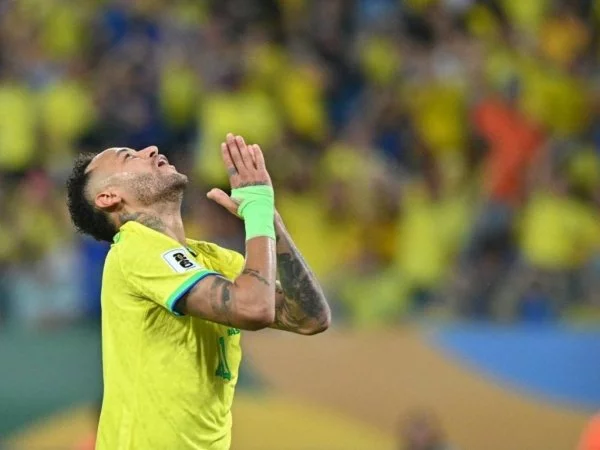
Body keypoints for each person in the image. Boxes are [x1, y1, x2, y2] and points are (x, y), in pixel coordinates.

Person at [65, 133, 331, 449]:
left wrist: (270, 219)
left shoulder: (210, 259)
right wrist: (256, 213)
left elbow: (310, 318)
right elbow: (254, 308)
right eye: (128, 156)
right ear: (108, 197)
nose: (151, 149)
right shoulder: (133, 249)